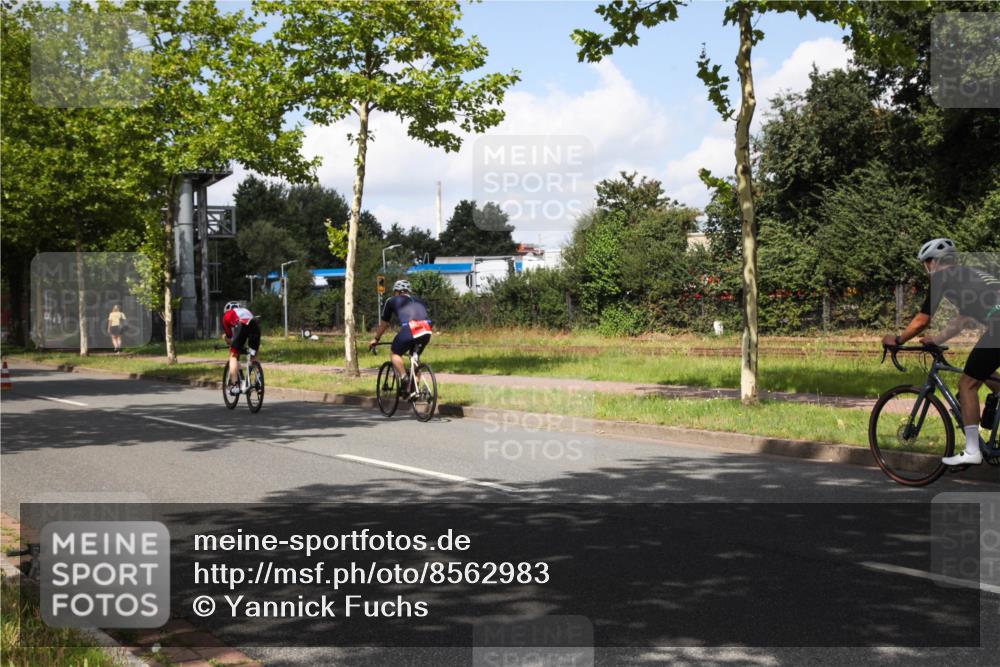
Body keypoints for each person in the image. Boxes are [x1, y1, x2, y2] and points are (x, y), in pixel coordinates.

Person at [882, 238, 1000, 466]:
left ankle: (972, 451)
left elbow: (922, 320)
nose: (927, 270)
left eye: (926, 264)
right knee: (981, 373)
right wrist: (936, 340)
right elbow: (964, 319)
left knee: (967, 384)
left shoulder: (941, 277)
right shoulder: (969, 275)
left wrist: (897, 340)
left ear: (933, 263)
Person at [368, 280, 432, 395]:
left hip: (410, 329)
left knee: (394, 353)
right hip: (426, 330)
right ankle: (414, 389)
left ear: (396, 292)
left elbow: (384, 324)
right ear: (408, 291)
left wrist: (376, 339)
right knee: (414, 357)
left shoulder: (391, 300)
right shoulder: (419, 300)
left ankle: (404, 378)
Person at [221, 301, 261, 395]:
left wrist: (224, 338)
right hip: (255, 325)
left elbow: (230, 337)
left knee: (233, 356)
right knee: (253, 355)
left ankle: (235, 386)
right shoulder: (245, 310)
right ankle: (259, 382)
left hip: (241, 325)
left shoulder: (227, 315)